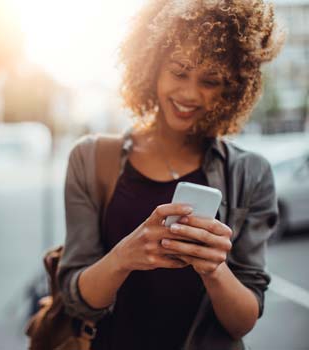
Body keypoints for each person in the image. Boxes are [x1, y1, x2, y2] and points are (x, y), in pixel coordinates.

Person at [58, 1, 285, 349]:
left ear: (233, 89)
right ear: (152, 67)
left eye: (210, 81)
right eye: (179, 72)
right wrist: (125, 256)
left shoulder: (251, 173)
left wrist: (214, 269)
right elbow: (76, 298)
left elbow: (242, 322)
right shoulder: (89, 159)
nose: (190, 94)